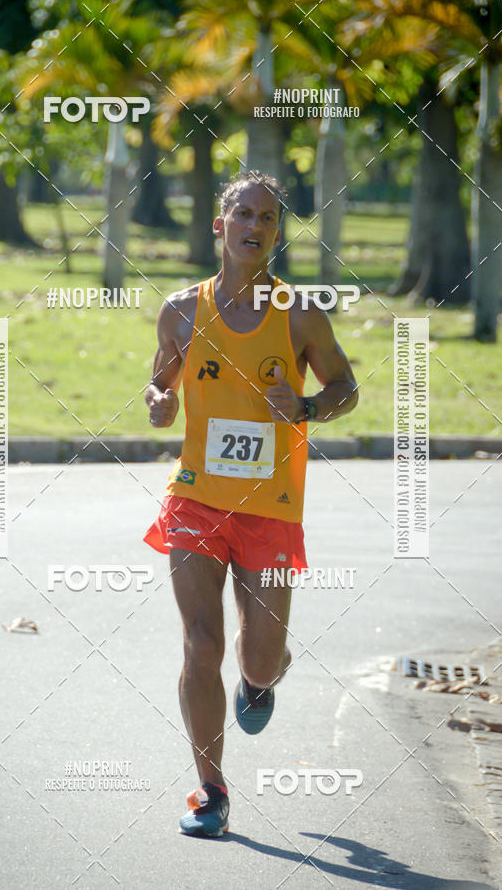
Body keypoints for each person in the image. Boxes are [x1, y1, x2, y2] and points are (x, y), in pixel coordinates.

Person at [143, 170, 358, 837]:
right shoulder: (182, 309)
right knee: (200, 644)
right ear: (221, 224)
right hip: (197, 500)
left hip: (270, 507)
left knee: (259, 657)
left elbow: (345, 386)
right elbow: (160, 379)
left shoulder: (299, 313)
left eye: (268, 218)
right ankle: (211, 791)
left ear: (275, 232)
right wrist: (159, 401)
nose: (255, 227)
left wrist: (305, 405)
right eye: (244, 213)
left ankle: (261, 681)